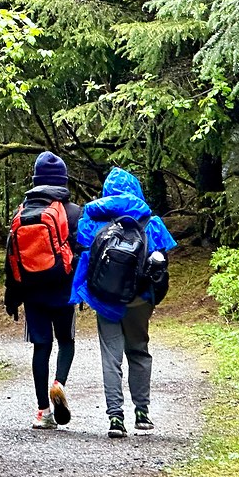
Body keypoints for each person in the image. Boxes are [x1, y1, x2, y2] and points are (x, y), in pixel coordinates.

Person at [70, 167, 176, 438]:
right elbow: (162, 262)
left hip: (104, 298)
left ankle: (116, 418)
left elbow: (82, 252)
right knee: (139, 352)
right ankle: (142, 414)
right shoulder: (150, 221)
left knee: (111, 356)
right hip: (139, 299)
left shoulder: (91, 218)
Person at [4, 151, 81, 429]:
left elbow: (10, 257)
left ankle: (42, 412)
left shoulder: (21, 213)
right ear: (63, 181)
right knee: (66, 341)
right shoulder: (72, 212)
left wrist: (11, 297)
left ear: (35, 181)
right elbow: (81, 250)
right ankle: (59, 383)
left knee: (41, 346)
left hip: (31, 292)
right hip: (63, 289)